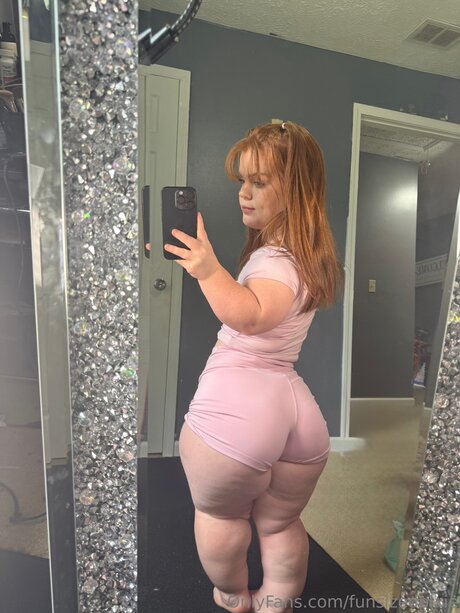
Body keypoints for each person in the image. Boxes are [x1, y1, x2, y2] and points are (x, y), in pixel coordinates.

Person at [162, 121, 344, 613]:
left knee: (219, 517)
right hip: (297, 413)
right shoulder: (305, 259)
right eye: (242, 180)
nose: (243, 193)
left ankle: (233, 595)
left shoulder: (275, 262)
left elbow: (251, 315)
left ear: (297, 190)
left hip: (240, 412)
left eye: (259, 182)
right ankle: (276, 600)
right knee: (281, 522)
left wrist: (207, 270)